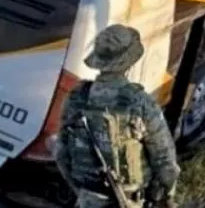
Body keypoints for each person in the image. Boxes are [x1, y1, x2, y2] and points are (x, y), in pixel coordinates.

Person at [56, 25, 180, 208]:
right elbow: (165, 162)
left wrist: (81, 191)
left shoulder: (77, 97)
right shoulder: (140, 104)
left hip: (87, 199)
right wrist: (166, 197)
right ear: (129, 62)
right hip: (130, 201)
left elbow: (61, 153)